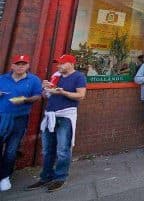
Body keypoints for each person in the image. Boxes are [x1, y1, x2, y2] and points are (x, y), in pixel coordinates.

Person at [27, 54, 86, 192]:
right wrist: (45, 88)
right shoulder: (56, 75)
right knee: (47, 149)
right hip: (50, 115)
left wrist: (63, 92)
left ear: (72, 64)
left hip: (65, 116)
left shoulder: (79, 77)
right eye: (58, 63)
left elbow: (81, 95)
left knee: (63, 149)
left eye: (62, 63)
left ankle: (60, 177)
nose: (59, 66)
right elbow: (46, 95)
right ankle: (45, 176)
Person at [0, 55, 42, 192]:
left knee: (11, 149)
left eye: (23, 64)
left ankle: (5, 176)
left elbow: (38, 95)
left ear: (28, 66)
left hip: (20, 117)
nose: (20, 66)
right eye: (18, 64)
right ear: (12, 66)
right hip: (2, 116)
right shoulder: (2, 79)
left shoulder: (34, 80)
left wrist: (25, 100)